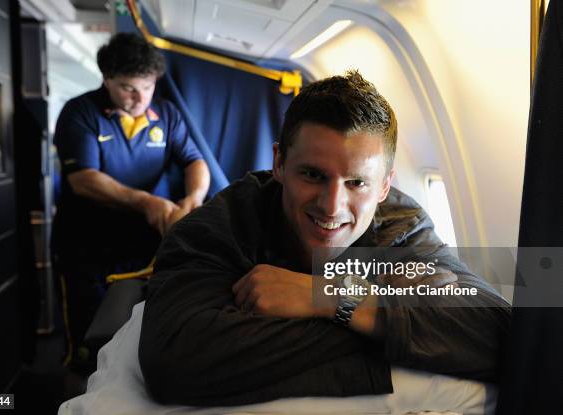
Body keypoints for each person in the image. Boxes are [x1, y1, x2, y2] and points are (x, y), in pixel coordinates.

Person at [138, 70, 510, 405]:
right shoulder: (219, 228)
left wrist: (331, 297)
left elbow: (505, 332)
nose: (333, 206)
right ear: (279, 164)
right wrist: (406, 330)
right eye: (313, 175)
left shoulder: (401, 225)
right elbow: (175, 359)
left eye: (357, 182)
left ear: (384, 186)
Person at [52, 32, 210, 370]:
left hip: (143, 249)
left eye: (148, 87)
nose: (141, 98)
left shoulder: (166, 115)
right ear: (107, 79)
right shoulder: (80, 112)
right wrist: (148, 203)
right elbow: (84, 180)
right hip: (86, 248)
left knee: (130, 339)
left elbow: (195, 162)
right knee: (85, 344)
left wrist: (193, 198)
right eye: (128, 88)